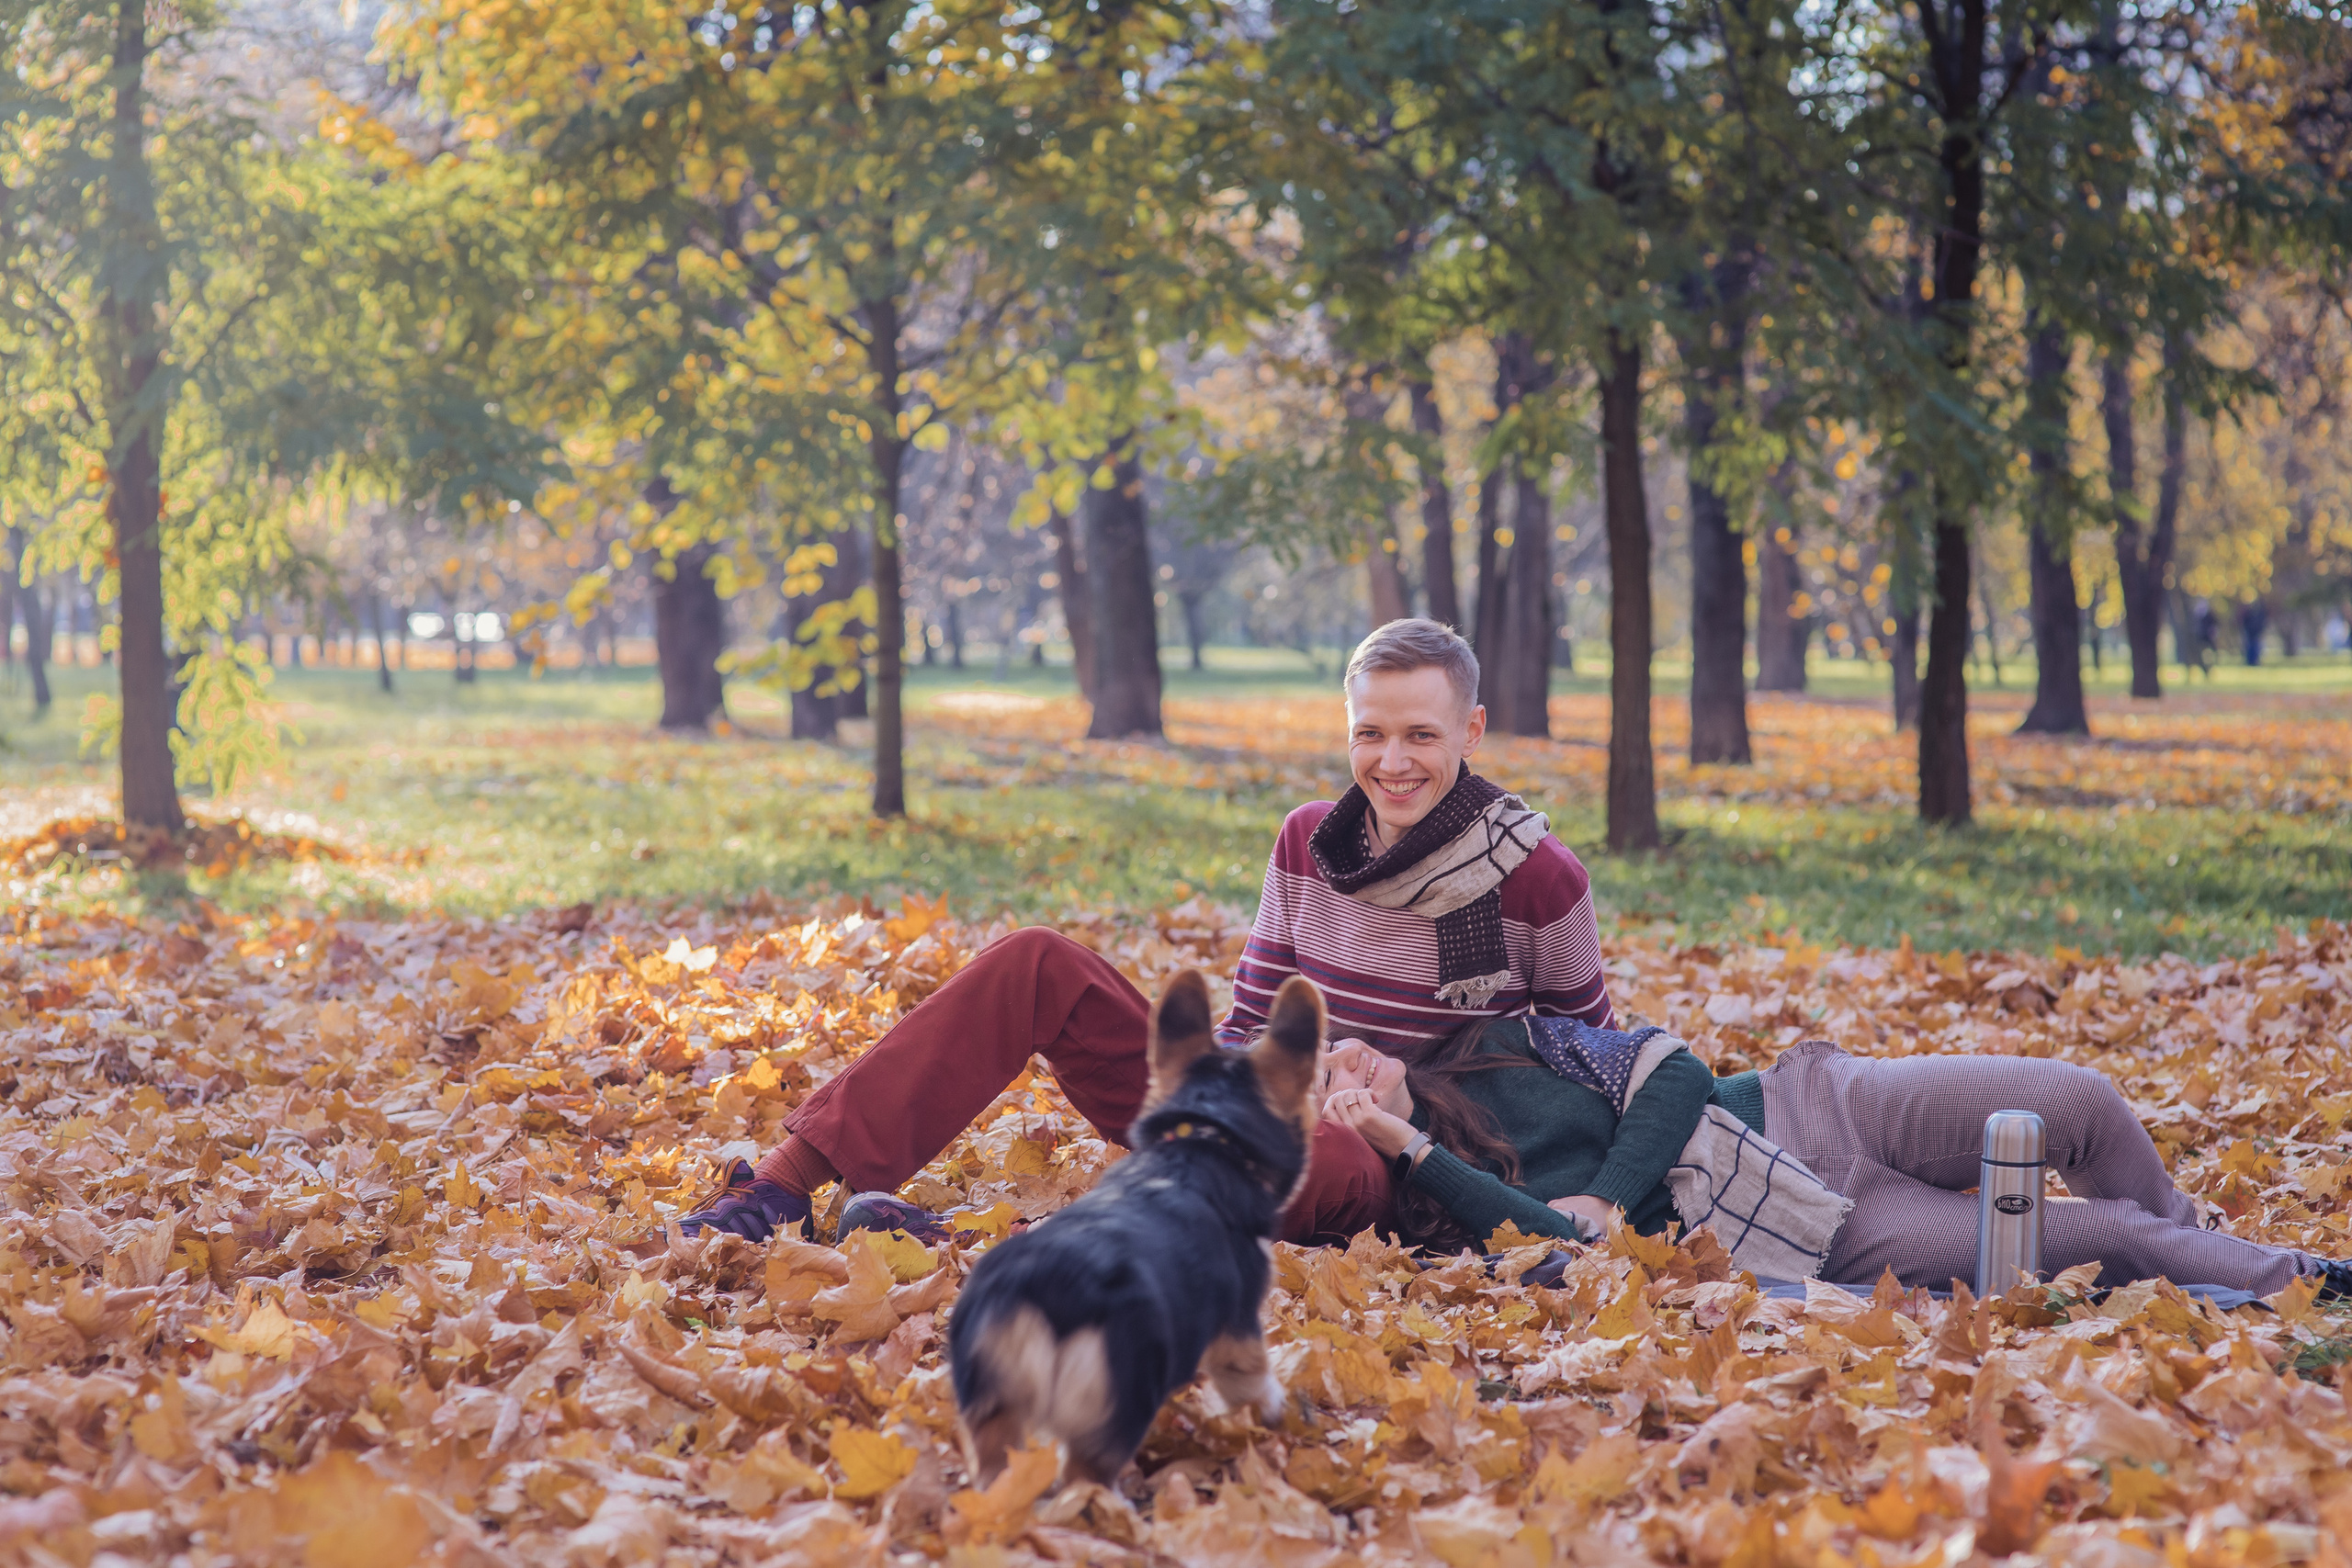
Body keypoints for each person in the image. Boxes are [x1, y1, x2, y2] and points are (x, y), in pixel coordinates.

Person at [681, 617, 1612, 1247]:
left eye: (1420, 735)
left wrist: (1409, 1102)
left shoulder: (1537, 879)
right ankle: (774, 1191)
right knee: (1035, 962)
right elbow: (1248, 1021)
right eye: (1370, 734)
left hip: (1388, 1163)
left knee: (1293, 1146)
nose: (1392, 761)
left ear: (1473, 730)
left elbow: (1591, 1074)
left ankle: (964, 1246)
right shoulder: (1308, 841)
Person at [1319, 1015, 2352, 1297]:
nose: (1341, 1055)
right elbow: (1559, 1249)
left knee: (2074, 1101)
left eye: (1329, 1041)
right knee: (2105, 1239)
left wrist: (1608, 1190)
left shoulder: (1502, 1043)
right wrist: (1409, 1148)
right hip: (1815, 1234)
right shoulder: (1436, 1209)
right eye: (1324, 1080)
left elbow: (1671, 1069)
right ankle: (2311, 1281)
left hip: (1811, 1103)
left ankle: (2208, 1249)